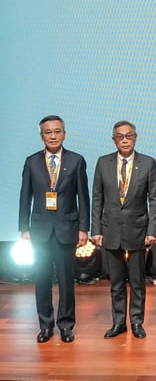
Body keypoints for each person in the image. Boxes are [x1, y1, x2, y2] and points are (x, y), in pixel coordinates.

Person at [18, 115, 90, 343]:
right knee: (42, 279)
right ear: (41, 136)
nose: (53, 136)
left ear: (64, 134)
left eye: (57, 131)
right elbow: (24, 197)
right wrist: (23, 228)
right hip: (39, 230)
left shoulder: (76, 160)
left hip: (67, 229)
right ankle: (45, 325)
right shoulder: (31, 162)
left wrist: (83, 228)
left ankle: (66, 326)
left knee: (67, 281)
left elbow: (83, 198)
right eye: (48, 132)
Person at [91, 121, 156, 339]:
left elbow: (154, 198)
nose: (125, 140)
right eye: (120, 137)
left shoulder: (148, 163)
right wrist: (96, 229)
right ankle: (118, 322)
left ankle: (137, 322)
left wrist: (153, 229)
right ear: (113, 139)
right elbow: (97, 198)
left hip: (138, 230)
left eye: (129, 136)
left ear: (135, 137)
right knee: (116, 282)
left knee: (138, 281)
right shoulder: (103, 163)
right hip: (110, 230)